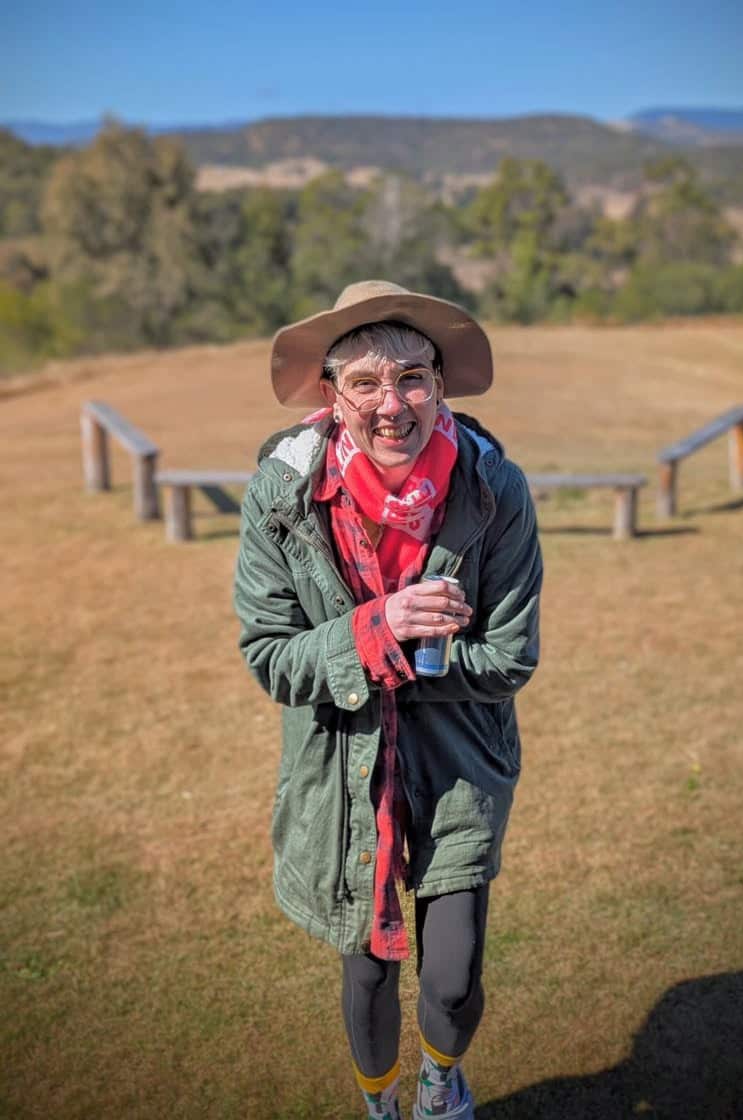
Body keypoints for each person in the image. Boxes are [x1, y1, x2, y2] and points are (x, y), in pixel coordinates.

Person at [233, 280, 542, 1119]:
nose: (390, 402)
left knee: (452, 972)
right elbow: (271, 656)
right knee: (366, 967)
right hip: (339, 760)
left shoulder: (492, 488)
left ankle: (442, 1080)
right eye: (364, 382)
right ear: (330, 396)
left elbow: (509, 656)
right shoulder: (283, 495)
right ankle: (380, 1106)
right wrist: (381, 627)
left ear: (439, 386)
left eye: (411, 377)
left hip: (458, 760)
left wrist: (406, 655)